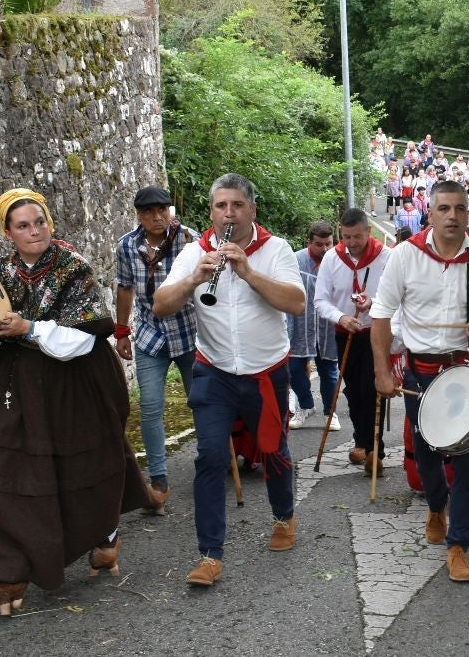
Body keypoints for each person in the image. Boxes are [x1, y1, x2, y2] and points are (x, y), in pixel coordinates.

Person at [0, 188, 149, 616]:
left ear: (49, 223)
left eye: (40, 222)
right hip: (13, 386)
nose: (34, 231)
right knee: (4, 470)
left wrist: (29, 328)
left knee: (83, 465)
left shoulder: (74, 268)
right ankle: (8, 571)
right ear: (8, 233)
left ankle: (103, 536)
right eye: (23, 226)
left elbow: (83, 337)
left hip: (74, 381)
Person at [153, 173, 305, 587]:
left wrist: (249, 272)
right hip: (214, 371)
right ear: (211, 212)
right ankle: (210, 555)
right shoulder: (193, 252)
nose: (229, 213)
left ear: (252, 210)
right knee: (211, 458)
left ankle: (283, 517)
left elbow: (296, 303)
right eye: (221, 206)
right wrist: (194, 279)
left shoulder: (275, 250)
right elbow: (160, 306)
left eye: (237, 205)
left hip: (266, 372)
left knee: (274, 451)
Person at [372, 180, 469, 583]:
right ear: (429, 213)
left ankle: (458, 545)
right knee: (427, 455)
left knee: (467, 463)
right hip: (419, 373)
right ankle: (436, 507)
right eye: (444, 208)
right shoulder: (405, 256)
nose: (452, 216)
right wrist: (382, 371)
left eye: (459, 209)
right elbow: (381, 315)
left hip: (465, 372)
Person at [114, 185, 197, 516]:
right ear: (139, 216)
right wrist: (121, 332)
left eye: (162, 210)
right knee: (149, 405)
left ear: (169, 210)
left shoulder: (189, 239)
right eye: (149, 212)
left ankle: (211, 462)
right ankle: (159, 480)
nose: (157, 217)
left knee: (201, 402)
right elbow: (124, 287)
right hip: (151, 334)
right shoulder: (127, 245)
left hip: (190, 331)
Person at [315, 208, 392, 471]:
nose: (351, 243)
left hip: (377, 332)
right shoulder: (331, 258)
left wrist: (374, 303)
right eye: (346, 237)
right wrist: (340, 317)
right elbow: (320, 300)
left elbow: (398, 299)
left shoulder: (386, 257)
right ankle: (361, 440)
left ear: (368, 232)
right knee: (353, 390)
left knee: (371, 388)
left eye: (356, 237)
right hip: (345, 333)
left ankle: (374, 450)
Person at [287, 221, 339, 429]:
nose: (325, 249)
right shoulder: (296, 260)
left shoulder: (338, 261)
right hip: (300, 324)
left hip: (328, 326)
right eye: (319, 244)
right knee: (294, 369)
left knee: (329, 372)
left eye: (328, 243)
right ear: (310, 242)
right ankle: (305, 405)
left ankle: (330, 411)